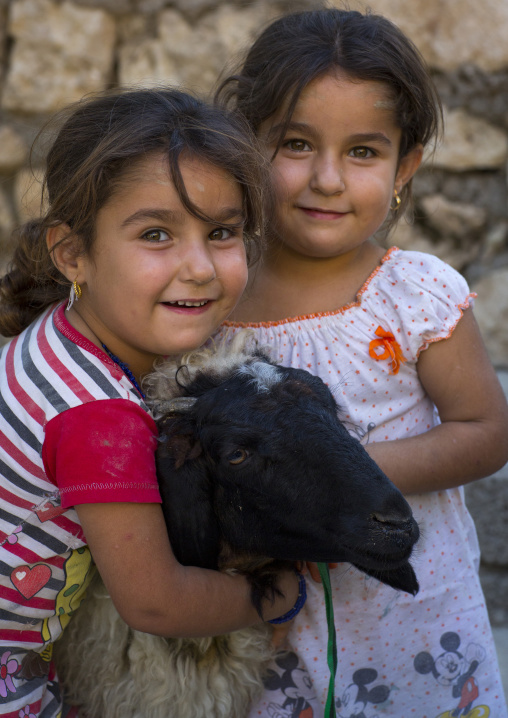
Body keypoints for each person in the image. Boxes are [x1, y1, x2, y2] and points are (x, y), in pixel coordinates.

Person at [216, 8, 508, 717]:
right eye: (295, 144)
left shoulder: (413, 295)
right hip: (274, 630)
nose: (326, 178)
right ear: (246, 145)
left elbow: (485, 429)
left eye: (363, 152)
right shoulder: (214, 299)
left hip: (410, 620)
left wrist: (343, 477)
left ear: (405, 166)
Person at [0, 87, 302, 718]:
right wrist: (272, 596)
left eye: (222, 232)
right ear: (72, 253)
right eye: (157, 233)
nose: (199, 267)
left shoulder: (59, 335)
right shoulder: (97, 415)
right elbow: (154, 602)